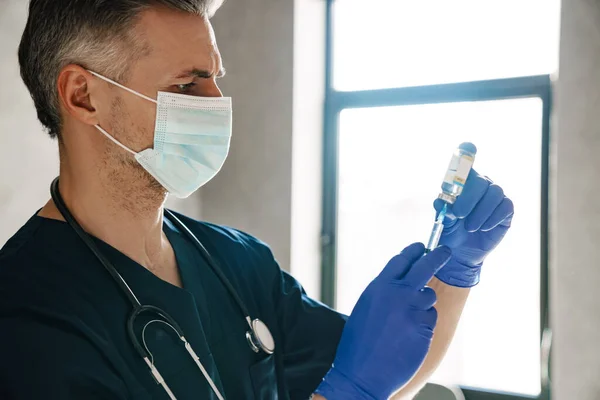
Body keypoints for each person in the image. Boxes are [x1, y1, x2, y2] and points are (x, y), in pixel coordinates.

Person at [0, 1, 514, 399]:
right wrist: (349, 391)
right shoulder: (27, 316)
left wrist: (457, 268)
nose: (217, 105)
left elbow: (389, 377)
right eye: (186, 85)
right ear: (83, 96)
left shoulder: (236, 261)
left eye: (214, 78)